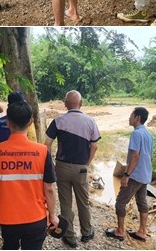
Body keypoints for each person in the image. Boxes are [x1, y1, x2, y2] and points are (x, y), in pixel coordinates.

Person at [0, 101, 59, 250]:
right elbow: (49, 188)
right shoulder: (42, 151)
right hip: (36, 218)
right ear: (30, 122)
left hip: (7, 218)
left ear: (7, 123)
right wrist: (53, 215)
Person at [44, 90, 100, 247]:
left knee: (66, 203)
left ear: (65, 104)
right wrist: (86, 164)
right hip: (81, 168)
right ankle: (87, 233)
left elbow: (46, 143)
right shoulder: (90, 121)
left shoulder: (58, 121)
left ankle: (70, 236)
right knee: (83, 202)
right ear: (81, 104)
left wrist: (51, 164)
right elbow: (94, 146)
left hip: (61, 167)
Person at [106, 107, 154, 243]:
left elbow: (135, 155)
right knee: (142, 203)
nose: (129, 118)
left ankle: (120, 232)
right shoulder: (149, 135)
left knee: (120, 203)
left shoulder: (136, 134)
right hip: (145, 175)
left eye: (131, 115)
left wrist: (127, 175)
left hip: (135, 175)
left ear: (137, 118)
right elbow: (150, 158)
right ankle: (142, 232)